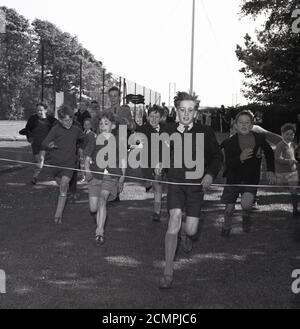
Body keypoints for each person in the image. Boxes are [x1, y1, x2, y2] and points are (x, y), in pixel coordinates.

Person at [158, 92, 223, 289]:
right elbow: (160, 152)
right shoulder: (167, 130)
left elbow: (216, 157)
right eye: (182, 110)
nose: (186, 114)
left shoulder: (205, 131)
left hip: (195, 187)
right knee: (174, 219)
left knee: (191, 229)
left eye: (190, 110)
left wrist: (210, 174)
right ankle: (167, 272)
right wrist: (159, 162)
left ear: (195, 112)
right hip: (176, 184)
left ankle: (187, 235)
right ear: (176, 110)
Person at [221, 110, 276, 237]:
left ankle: (246, 216)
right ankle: (226, 226)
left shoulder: (260, 138)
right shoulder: (229, 142)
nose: (244, 125)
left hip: (251, 179)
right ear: (235, 125)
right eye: (241, 122)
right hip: (233, 179)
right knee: (229, 209)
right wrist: (240, 157)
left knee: (246, 205)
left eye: (247, 122)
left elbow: (269, 153)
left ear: (252, 125)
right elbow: (228, 164)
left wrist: (270, 170)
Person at [84, 111, 126, 246]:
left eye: (106, 123)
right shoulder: (94, 139)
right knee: (93, 208)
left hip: (111, 177)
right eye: (101, 124)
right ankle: (98, 219)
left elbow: (123, 161)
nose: (103, 126)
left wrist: (121, 179)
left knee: (103, 200)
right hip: (95, 176)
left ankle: (99, 232)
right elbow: (87, 157)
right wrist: (87, 171)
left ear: (113, 126)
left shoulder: (119, 142)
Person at [39, 105, 85, 224]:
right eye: (66, 120)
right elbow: (44, 144)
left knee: (64, 185)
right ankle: (60, 208)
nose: (69, 122)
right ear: (60, 120)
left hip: (69, 164)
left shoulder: (76, 129)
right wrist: (50, 145)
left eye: (71, 120)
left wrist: (82, 149)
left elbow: (84, 139)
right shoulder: (55, 129)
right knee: (61, 185)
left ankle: (58, 215)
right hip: (55, 165)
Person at [135, 105, 165, 222]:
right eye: (151, 116)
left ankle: (156, 211)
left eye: (156, 116)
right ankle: (148, 182)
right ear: (147, 117)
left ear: (161, 118)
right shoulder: (143, 129)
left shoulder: (165, 129)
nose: (153, 119)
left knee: (158, 183)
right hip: (146, 160)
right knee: (149, 180)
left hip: (160, 160)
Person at [19, 103, 57, 184]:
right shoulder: (33, 118)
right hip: (35, 143)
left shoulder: (51, 120)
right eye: (37, 110)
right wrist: (29, 138)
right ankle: (45, 168)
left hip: (46, 143)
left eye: (41, 110)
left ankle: (34, 177)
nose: (39, 112)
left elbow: (57, 130)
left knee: (41, 159)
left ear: (46, 110)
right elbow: (27, 129)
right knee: (38, 161)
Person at [275, 123, 300, 216]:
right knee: (282, 187)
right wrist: (288, 161)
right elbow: (277, 158)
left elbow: (296, 153)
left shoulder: (293, 144)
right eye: (287, 134)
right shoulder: (280, 145)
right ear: (282, 134)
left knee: (294, 191)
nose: (289, 136)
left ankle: (295, 210)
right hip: (283, 172)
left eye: (292, 134)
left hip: (293, 172)